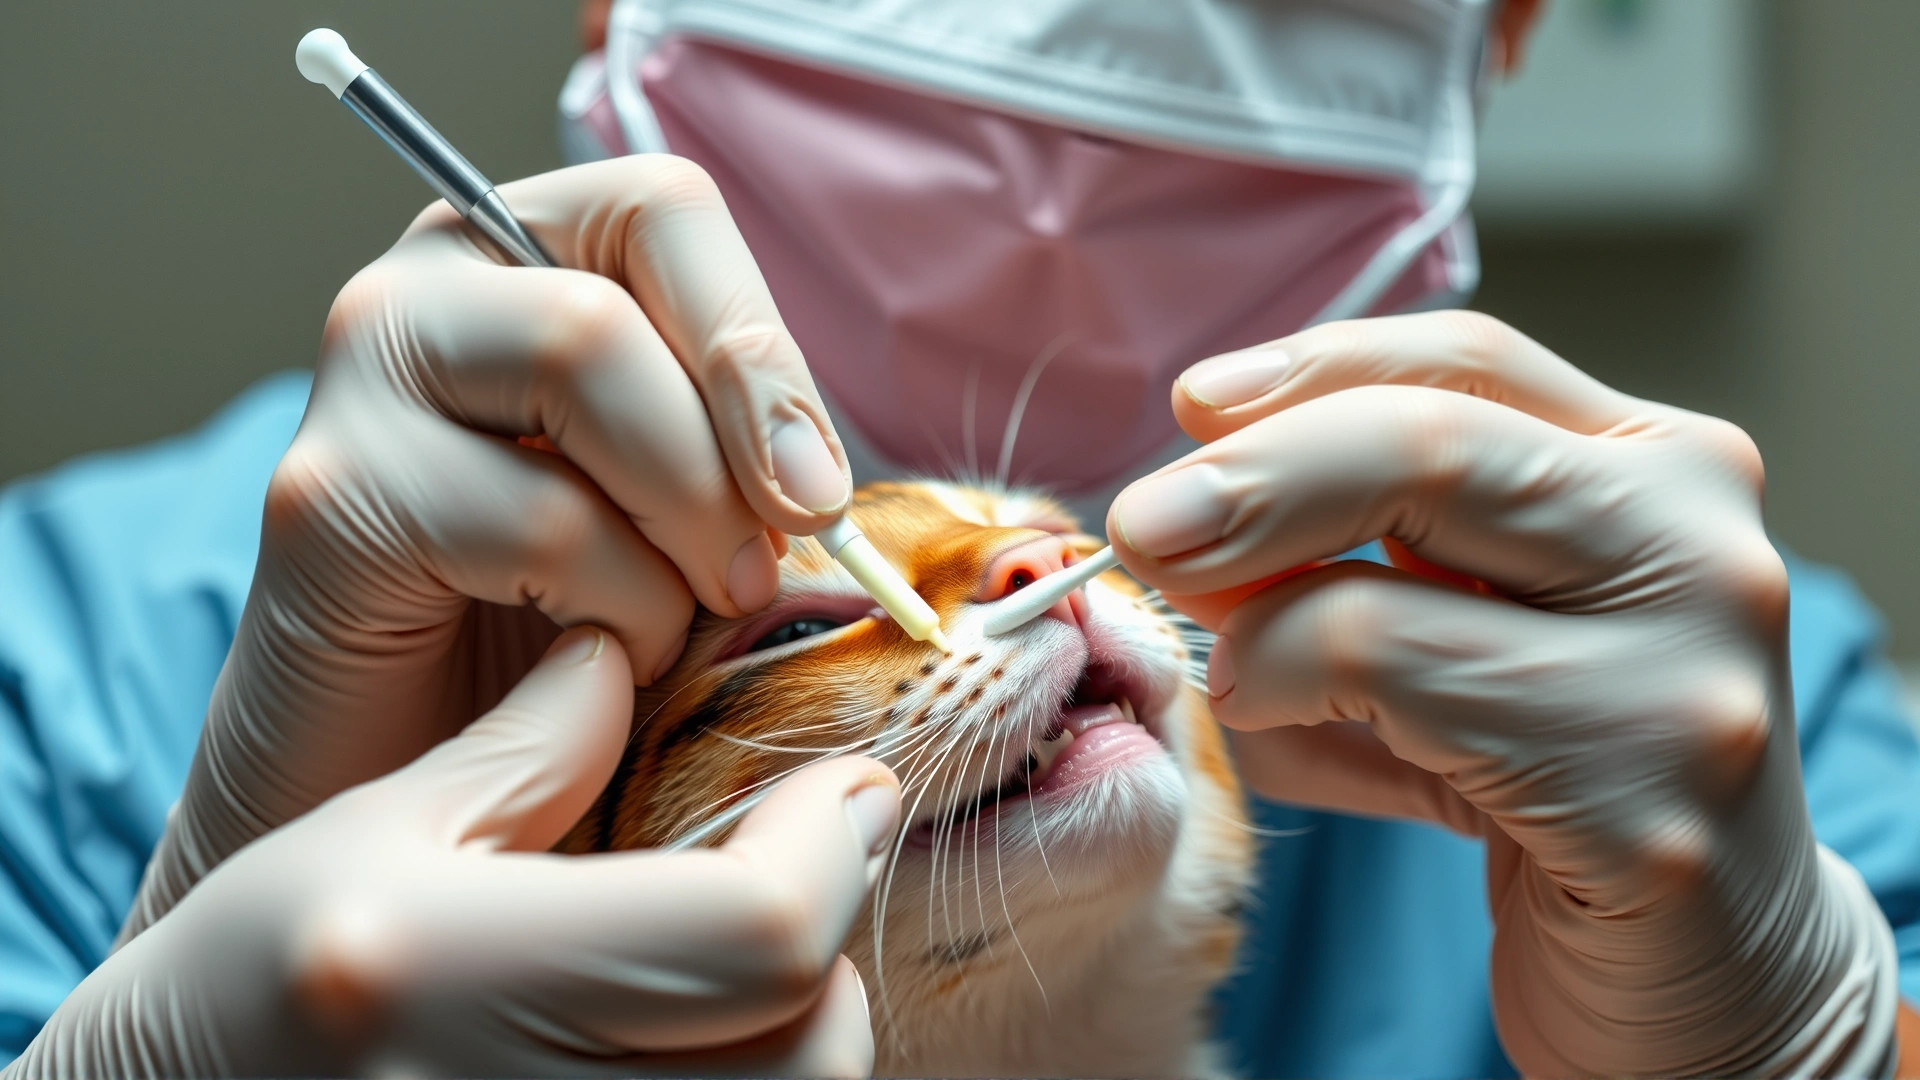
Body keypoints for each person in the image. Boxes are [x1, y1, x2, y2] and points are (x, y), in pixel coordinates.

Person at [3, 0, 1918, 1075]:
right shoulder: (65, 666)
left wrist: (1804, 1046)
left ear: (1503, 25)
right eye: (777, 641)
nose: (1028, 572)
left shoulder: (1718, 711)